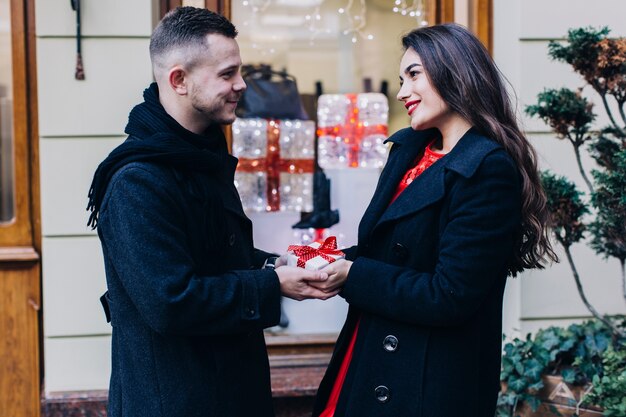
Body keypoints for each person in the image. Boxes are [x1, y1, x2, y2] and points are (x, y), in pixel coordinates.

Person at [86, 7, 336, 417]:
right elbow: (172, 301)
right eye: (227, 73)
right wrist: (275, 286)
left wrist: (276, 264)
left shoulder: (200, 157)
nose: (241, 85)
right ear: (179, 80)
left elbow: (216, 258)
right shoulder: (138, 181)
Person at [310, 23, 558, 417]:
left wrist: (351, 275)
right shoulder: (408, 152)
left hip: (424, 382)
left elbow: (450, 294)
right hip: (369, 355)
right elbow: (389, 251)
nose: (403, 91)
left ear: (453, 71)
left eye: (413, 75)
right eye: (400, 79)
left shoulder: (487, 168)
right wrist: (319, 259)